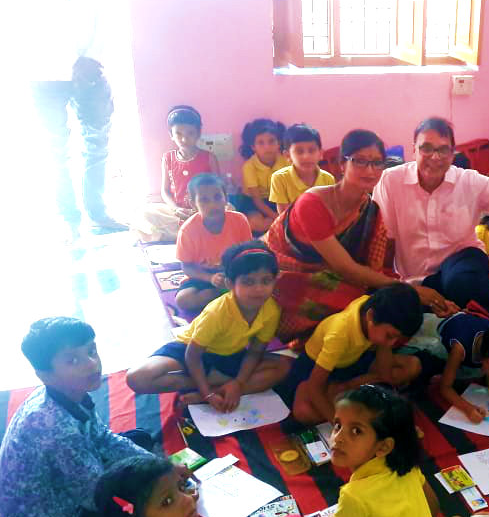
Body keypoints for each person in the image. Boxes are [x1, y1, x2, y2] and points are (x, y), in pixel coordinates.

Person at [0, 317, 153, 517]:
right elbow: (94, 496)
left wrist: (154, 465)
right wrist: (155, 486)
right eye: (73, 360)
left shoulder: (64, 394)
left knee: (140, 443)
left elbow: (101, 436)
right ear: (45, 375)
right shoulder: (57, 429)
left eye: (92, 351)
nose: (92, 364)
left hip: (49, 485)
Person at [264, 130, 439, 343]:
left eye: (377, 163)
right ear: (341, 164)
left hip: (345, 277)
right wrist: (407, 289)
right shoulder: (312, 204)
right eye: (360, 161)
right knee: (359, 304)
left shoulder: (370, 210)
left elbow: (370, 268)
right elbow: (345, 268)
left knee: (394, 303)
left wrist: (404, 290)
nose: (370, 170)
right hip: (296, 276)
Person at [373, 108, 489, 323]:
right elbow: (386, 240)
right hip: (418, 278)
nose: (435, 157)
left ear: (453, 154)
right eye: (426, 148)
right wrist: (389, 284)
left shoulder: (469, 181)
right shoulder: (390, 181)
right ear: (413, 149)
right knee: (400, 317)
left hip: (464, 262)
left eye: (443, 150)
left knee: (459, 282)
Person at [127, 241, 289, 411]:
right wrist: (207, 393)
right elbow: (193, 355)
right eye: (248, 282)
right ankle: (213, 385)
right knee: (138, 377)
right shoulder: (217, 312)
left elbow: (256, 351)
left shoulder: (271, 310)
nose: (258, 289)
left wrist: (239, 383)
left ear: (274, 280)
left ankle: (219, 388)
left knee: (283, 366)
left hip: (230, 355)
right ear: (230, 284)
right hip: (191, 349)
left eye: (266, 281)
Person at [323, 385, 467, 517]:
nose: (338, 438)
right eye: (338, 425)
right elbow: (434, 506)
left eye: (356, 431)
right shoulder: (407, 467)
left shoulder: (354, 495)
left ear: (384, 446)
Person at [26, 0, 127, 239]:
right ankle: (68, 217)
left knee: (96, 145)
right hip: (42, 75)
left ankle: (98, 212)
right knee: (55, 149)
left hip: (89, 70)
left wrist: (92, 58)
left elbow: (107, 17)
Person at [288, 283, 424, 424]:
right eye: (389, 336)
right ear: (371, 316)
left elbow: (386, 375)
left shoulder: (375, 309)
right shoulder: (340, 333)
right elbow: (315, 386)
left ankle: (347, 389)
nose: (392, 343)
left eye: (396, 338)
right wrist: (339, 425)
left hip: (355, 359)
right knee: (304, 412)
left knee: (413, 365)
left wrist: (383, 347)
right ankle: (346, 389)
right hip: (318, 368)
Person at [134, 106, 221, 242]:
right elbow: (165, 191)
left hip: (204, 210)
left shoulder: (209, 158)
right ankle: (190, 234)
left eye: (190, 133)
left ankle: (180, 235)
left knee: (230, 210)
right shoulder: (168, 158)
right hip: (177, 212)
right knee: (145, 213)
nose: (184, 139)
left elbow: (219, 190)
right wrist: (175, 209)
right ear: (171, 135)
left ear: (198, 133)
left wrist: (203, 208)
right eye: (178, 134)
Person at [174, 174, 253, 314]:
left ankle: (228, 296)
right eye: (204, 200)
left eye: (217, 197)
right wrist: (210, 278)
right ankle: (222, 295)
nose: (213, 205)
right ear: (193, 204)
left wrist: (234, 276)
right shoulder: (188, 230)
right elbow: (187, 267)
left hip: (234, 273)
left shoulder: (239, 220)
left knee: (262, 286)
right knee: (183, 300)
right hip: (203, 276)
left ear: (226, 199)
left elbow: (247, 254)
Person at [234, 118, 289, 233]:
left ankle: (277, 226)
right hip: (254, 202)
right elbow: (257, 200)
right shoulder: (249, 167)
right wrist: (277, 217)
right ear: (253, 146)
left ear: (279, 143)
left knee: (296, 213)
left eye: (271, 141)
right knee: (255, 223)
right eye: (261, 143)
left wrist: (285, 212)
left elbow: (289, 190)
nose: (267, 147)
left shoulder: (285, 161)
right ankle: (277, 226)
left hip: (279, 199)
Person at [269, 123, 336, 213]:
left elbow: (330, 210)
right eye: (299, 151)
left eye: (311, 150)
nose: (306, 156)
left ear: (320, 154)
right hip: (292, 224)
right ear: (288, 156)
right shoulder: (279, 178)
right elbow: (283, 215)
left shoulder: (328, 179)